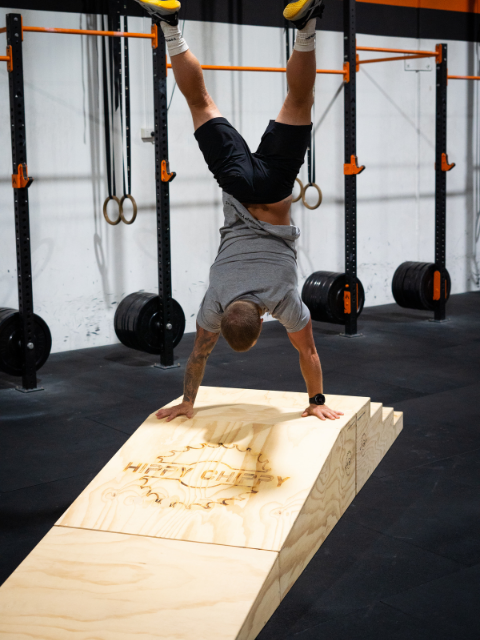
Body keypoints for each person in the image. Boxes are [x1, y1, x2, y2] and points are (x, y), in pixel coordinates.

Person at [135, 0, 343, 423]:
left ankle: (307, 26)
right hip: (237, 185)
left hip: (277, 188)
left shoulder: (284, 298)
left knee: (300, 99)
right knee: (200, 102)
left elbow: (309, 352)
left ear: (264, 318)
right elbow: (196, 356)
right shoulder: (214, 300)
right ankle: (170, 26)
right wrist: (188, 401)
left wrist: (316, 403)